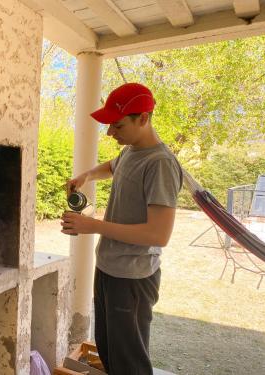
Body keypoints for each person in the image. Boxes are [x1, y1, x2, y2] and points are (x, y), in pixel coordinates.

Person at [61, 82, 183, 375]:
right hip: (109, 269)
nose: (110, 133)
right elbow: (113, 166)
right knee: (108, 352)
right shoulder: (131, 150)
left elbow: (158, 235)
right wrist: (87, 175)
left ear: (143, 118)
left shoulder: (160, 164)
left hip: (132, 278)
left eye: (117, 125)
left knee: (129, 364)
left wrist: (93, 225)